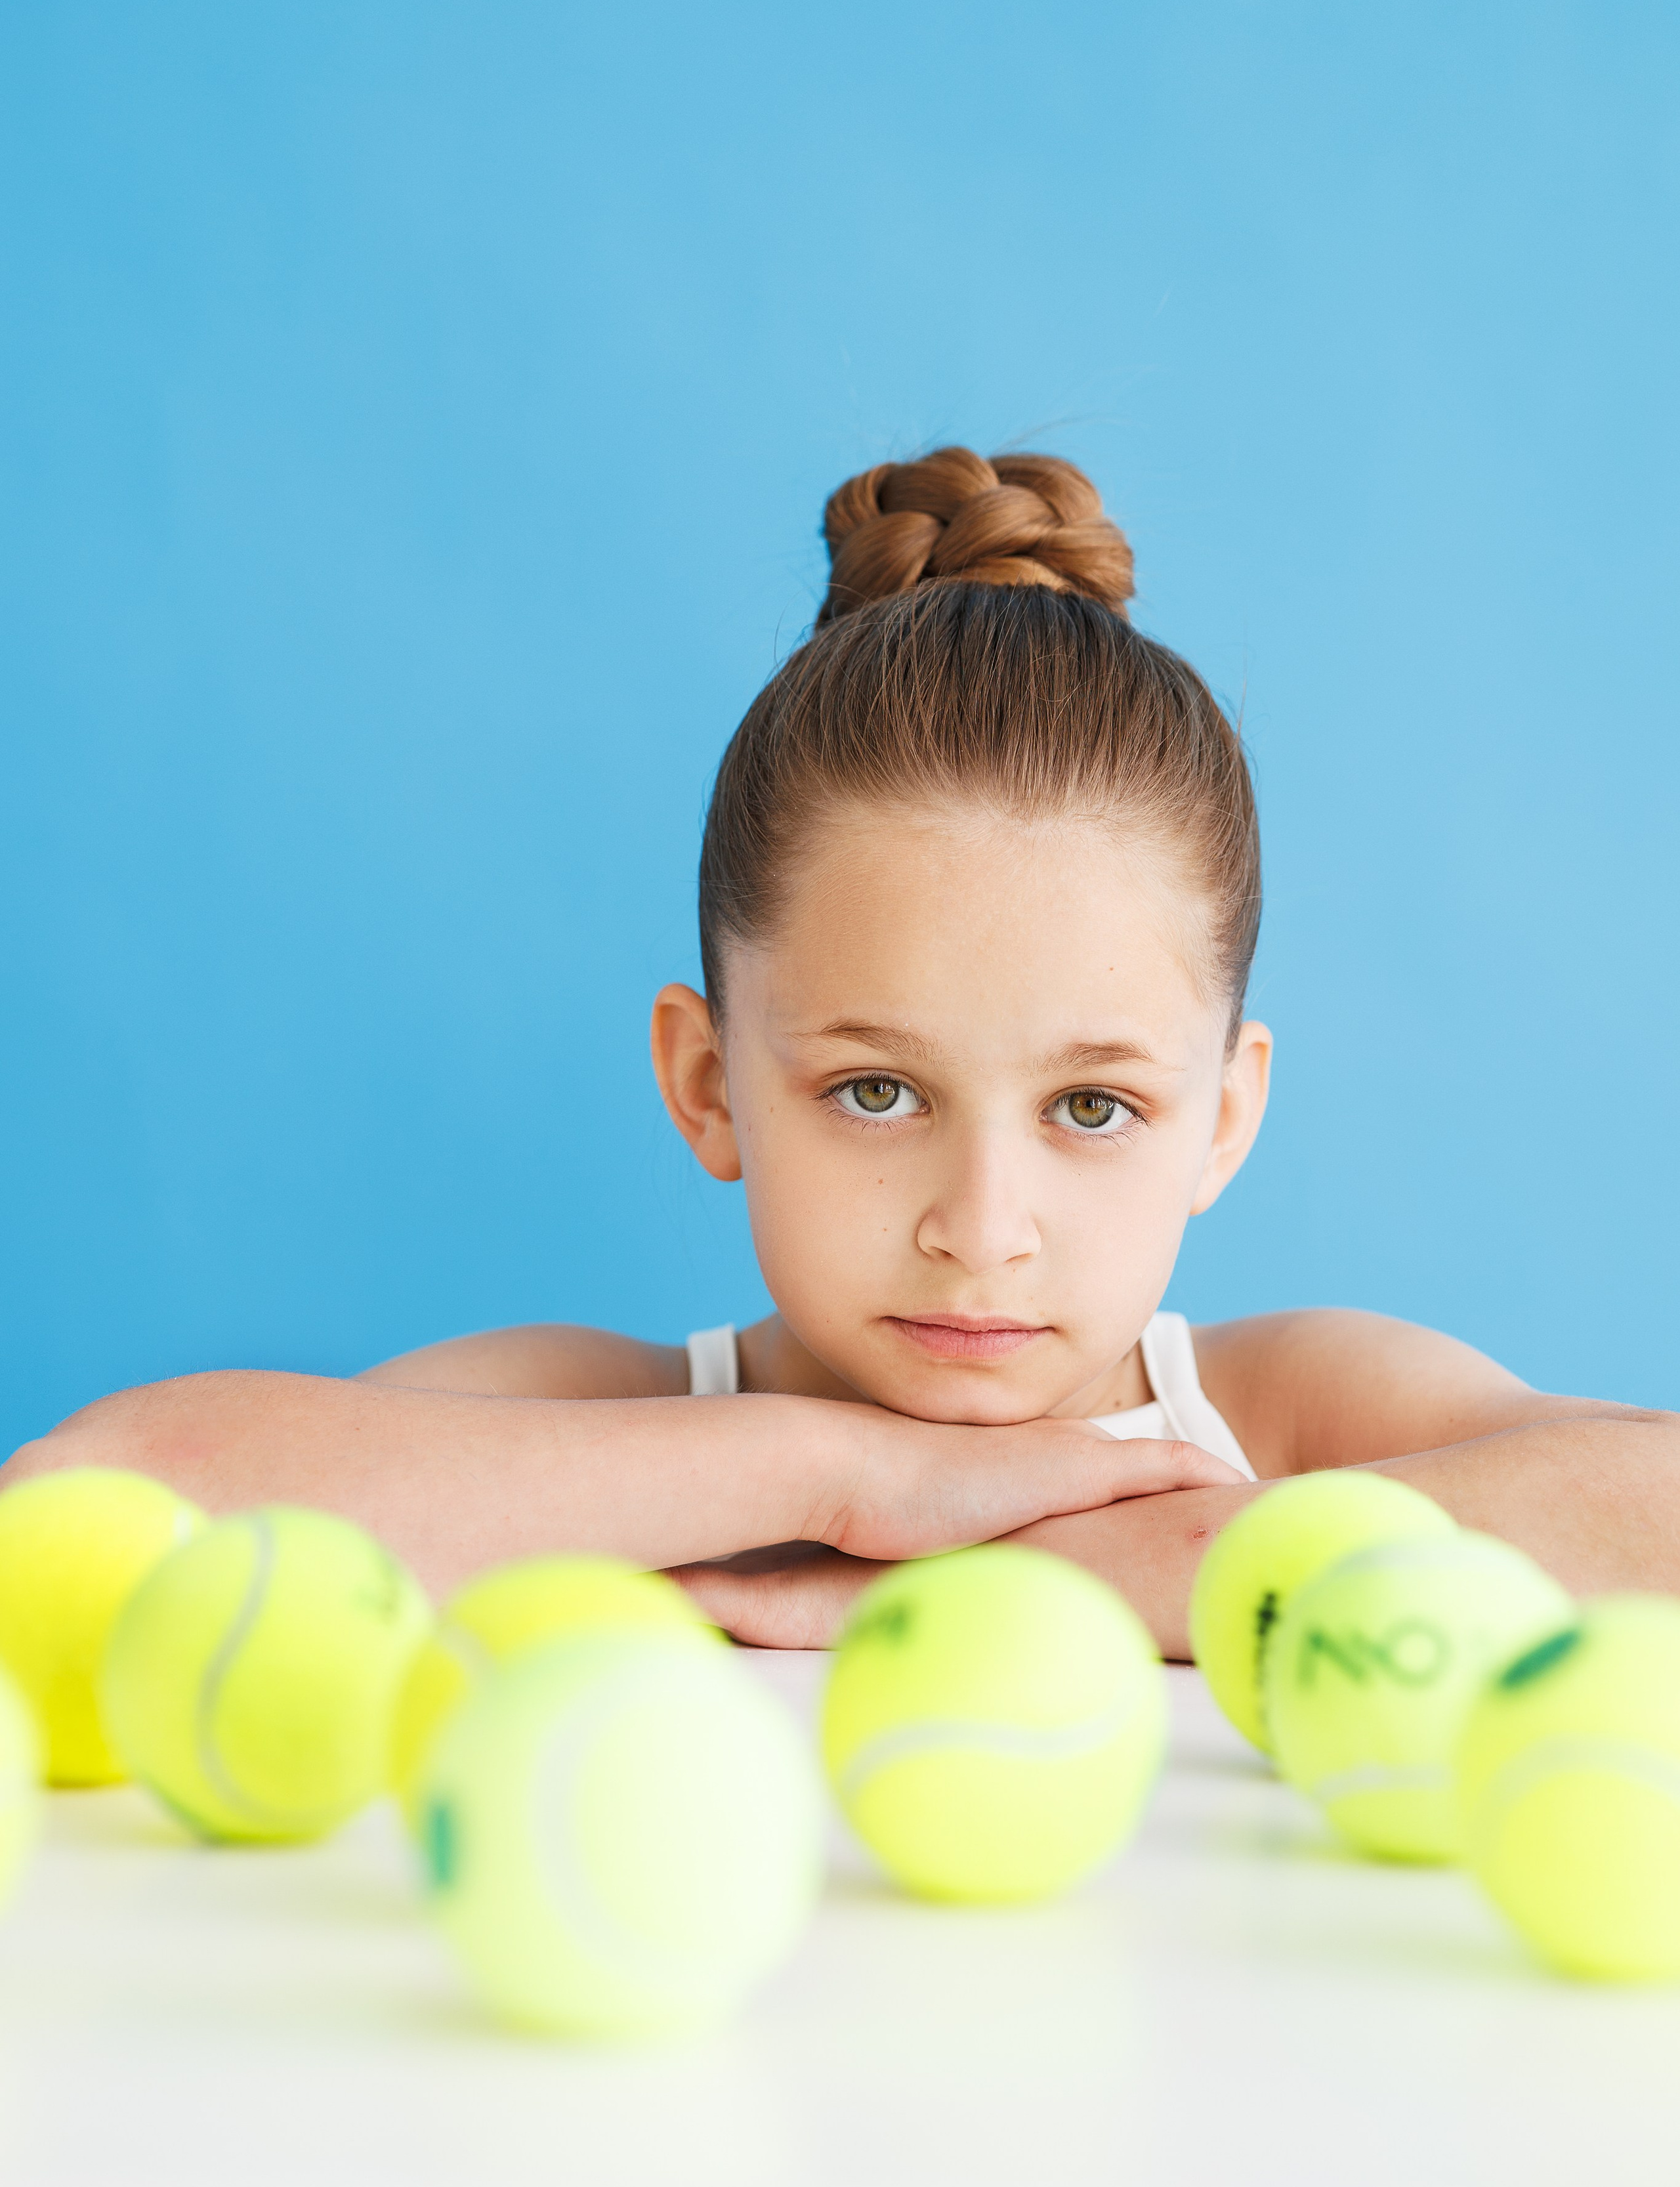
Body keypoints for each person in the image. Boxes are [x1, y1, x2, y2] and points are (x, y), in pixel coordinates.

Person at [8, 448, 1677, 1653]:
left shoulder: (1280, 1422)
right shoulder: (605, 1423)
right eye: (877, 1092)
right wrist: (837, 1475)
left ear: (1223, 1116)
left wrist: (1142, 1565)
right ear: (708, 1081)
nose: (981, 1224)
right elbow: (90, 1503)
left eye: (1092, 1105)